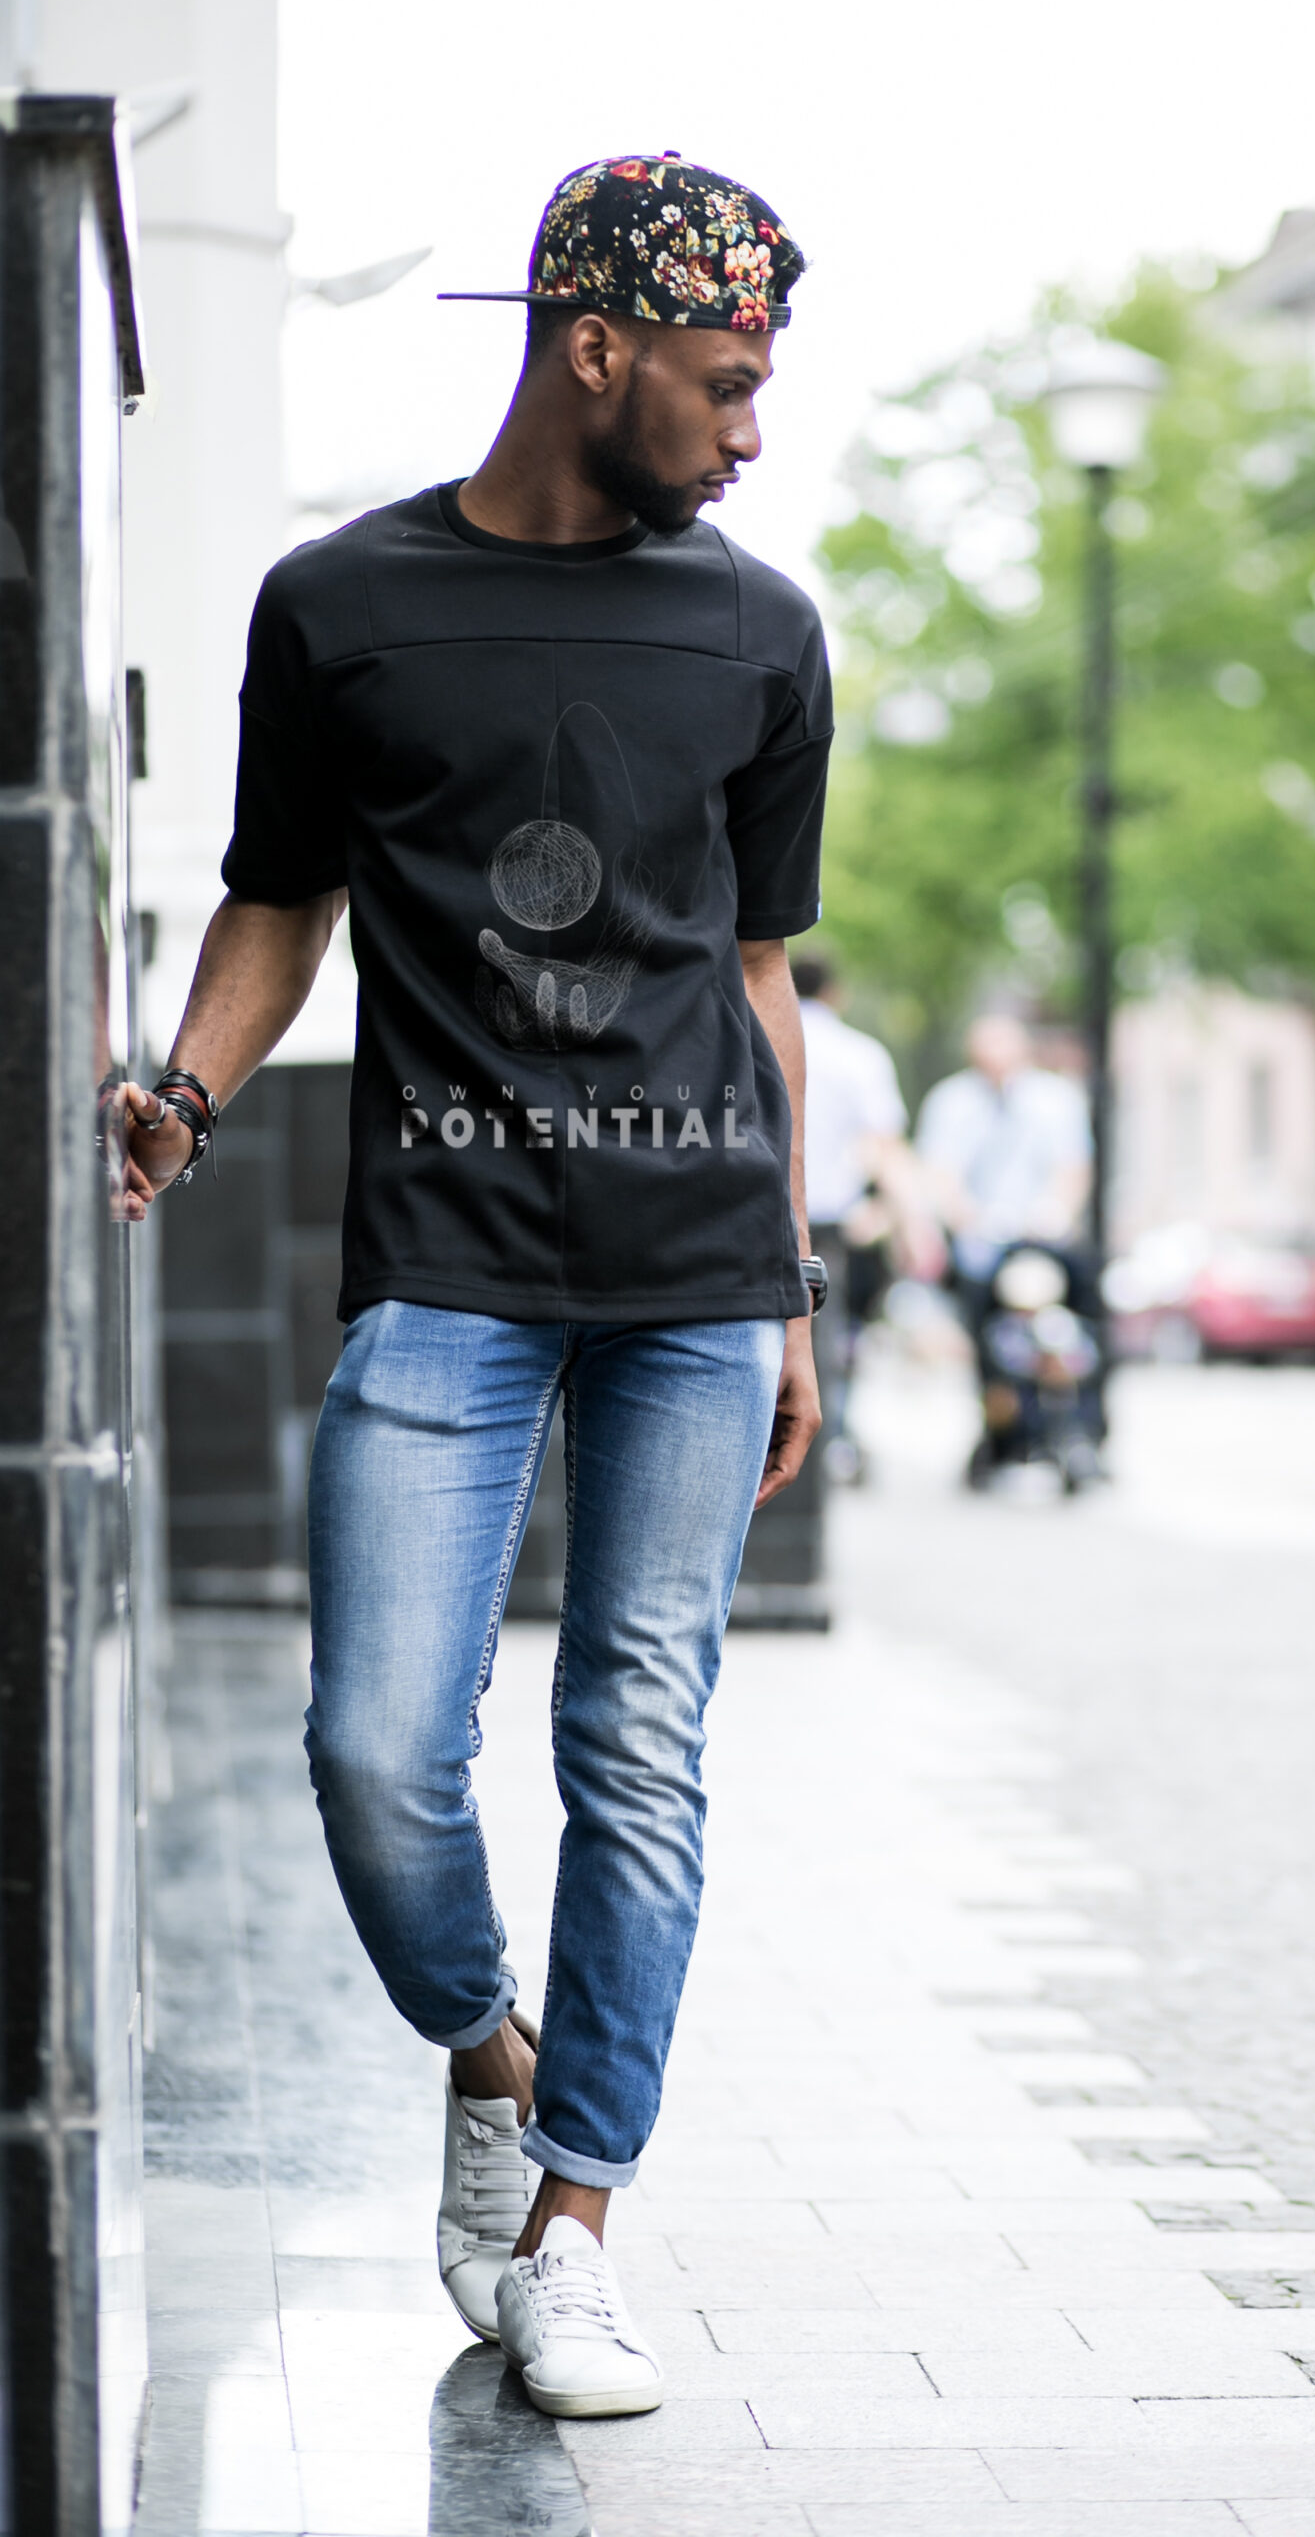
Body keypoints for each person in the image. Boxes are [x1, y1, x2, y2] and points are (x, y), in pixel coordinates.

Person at [120, 154, 829, 2424]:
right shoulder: (342, 605)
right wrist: (188, 1089)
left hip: (696, 1272)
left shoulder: (760, 632)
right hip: (443, 1255)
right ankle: (493, 2055)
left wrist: (792, 1284)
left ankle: (574, 2234)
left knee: (636, 1740)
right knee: (372, 1749)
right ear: (592, 347)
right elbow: (276, 897)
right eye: (724, 380)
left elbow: (758, 974)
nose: (750, 431)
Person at [793, 953, 940, 1477]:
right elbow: (885, 1149)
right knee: (825, 1342)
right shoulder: (859, 1054)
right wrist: (912, 1226)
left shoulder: (745, 1035)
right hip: (828, 1225)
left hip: (755, 1216)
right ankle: (824, 1452)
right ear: (835, 993)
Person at [917, 1012, 1091, 1309]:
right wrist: (968, 1217)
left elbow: (1073, 1168)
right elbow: (940, 1172)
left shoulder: (1057, 1099)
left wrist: (1054, 1214)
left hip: (1043, 1241)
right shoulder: (950, 1101)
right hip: (978, 1244)